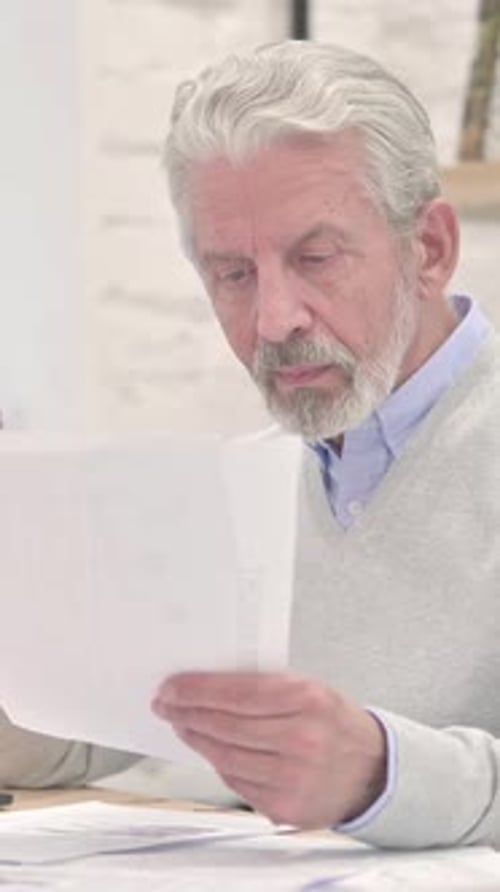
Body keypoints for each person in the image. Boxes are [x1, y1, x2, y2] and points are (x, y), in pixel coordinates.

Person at [2, 39, 499, 850]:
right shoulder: (247, 480)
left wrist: (380, 774)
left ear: (430, 250)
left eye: (316, 258)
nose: (273, 321)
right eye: (232, 273)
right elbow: (111, 728)